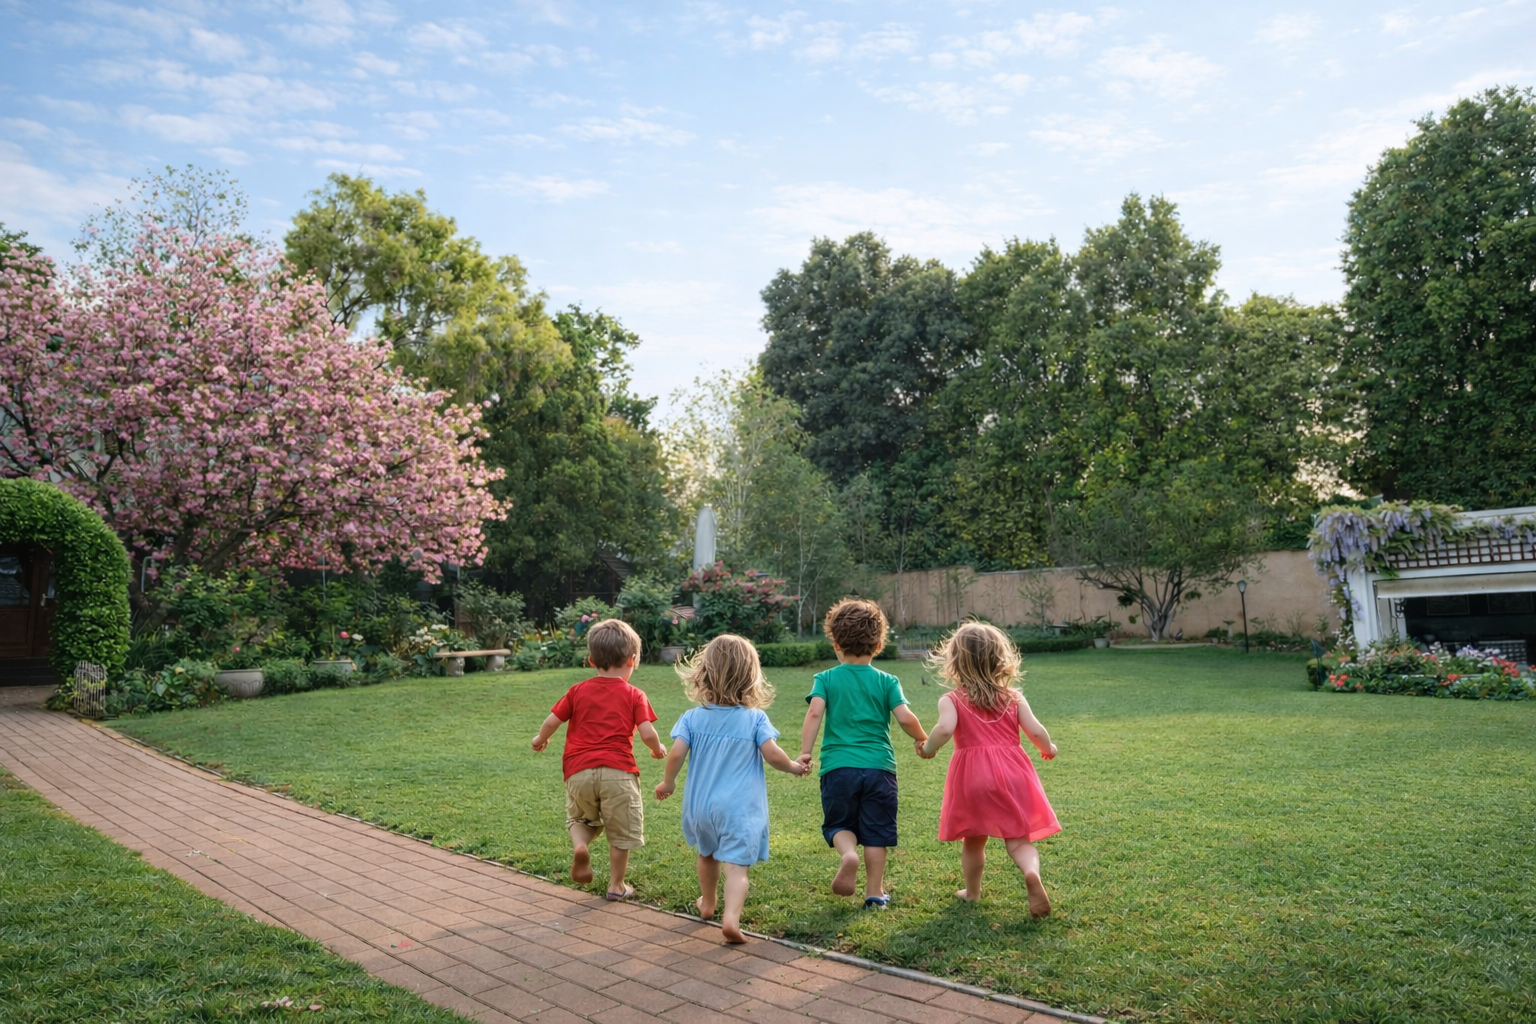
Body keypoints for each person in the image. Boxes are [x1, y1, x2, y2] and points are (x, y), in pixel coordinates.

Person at [655, 634, 809, 943]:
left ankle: (708, 903)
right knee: (737, 867)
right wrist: (794, 766)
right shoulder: (754, 719)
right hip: (738, 809)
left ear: (704, 674)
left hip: (700, 807)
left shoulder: (692, 717)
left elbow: (675, 754)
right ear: (751, 677)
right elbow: (772, 755)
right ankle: (731, 918)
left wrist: (668, 782)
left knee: (707, 854)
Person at [917, 621, 1060, 917]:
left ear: (955, 662)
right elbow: (1036, 730)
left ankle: (972, 892)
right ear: (1000, 659)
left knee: (974, 839)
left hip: (973, 777)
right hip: (1014, 773)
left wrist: (928, 749)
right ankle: (1031, 873)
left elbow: (944, 729)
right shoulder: (1013, 697)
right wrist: (1048, 748)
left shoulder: (951, 700)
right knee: (1019, 840)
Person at [796, 598, 928, 909]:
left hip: (837, 768)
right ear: (879, 643)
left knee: (839, 824)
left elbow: (814, 714)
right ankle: (874, 894)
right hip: (880, 769)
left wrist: (804, 752)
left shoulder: (826, 679)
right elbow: (906, 718)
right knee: (877, 832)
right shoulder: (887, 681)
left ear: (835, 643)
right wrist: (922, 739)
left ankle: (848, 854)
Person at [531, 619, 666, 901]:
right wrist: (656, 748)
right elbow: (646, 731)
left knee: (581, 818)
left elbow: (552, 721)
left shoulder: (577, 690)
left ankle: (581, 846)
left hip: (578, 772)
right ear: (633, 661)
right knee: (620, 831)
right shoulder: (634, 694)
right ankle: (617, 886)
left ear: (592, 660)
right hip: (618, 773)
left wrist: (539, 739)